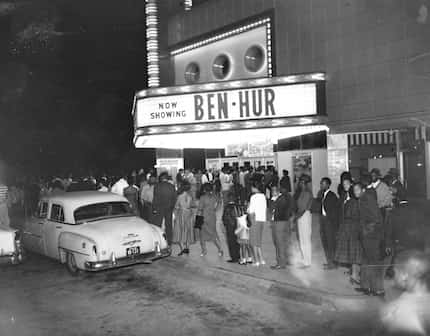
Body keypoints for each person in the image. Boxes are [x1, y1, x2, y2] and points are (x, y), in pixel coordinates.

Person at [355, 179, 391, 297]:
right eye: (354, 190)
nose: (355, 191)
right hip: (366, 236)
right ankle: (366, 287)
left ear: (363, 190)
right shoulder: (361, 199)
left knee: (374, 262)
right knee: (365, 260)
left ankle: (378, 289)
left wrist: (367, 230)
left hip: (372, 237)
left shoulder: (368, 199)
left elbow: (377, 218)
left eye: (357, 189)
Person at [334, 177, 362, 284]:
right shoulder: (344, 196)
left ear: (351, 184)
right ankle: (353, 272)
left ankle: (355, 275)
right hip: (346, 226)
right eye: (343, 184)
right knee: (351, 250)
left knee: (355, 251)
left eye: (347, 183)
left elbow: (354, 213)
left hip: (353, 227)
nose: (345, 185)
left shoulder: (354, 198)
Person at [270, 185, 294, 270]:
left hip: (278, 223)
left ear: (276, 191)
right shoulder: (286, 197)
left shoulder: (278, 200)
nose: (271, 193)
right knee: (286, 242)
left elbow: (273, 211)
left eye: (272, 191)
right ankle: (288, 260)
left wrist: (273, 201)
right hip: (285, 222)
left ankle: (280, 263)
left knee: (279, 243)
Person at [198, 183, 223, 257]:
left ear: (204, 189)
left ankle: (204, 251)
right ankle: (220, 249)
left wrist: (197, 219)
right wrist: (215, 209)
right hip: (212, 217)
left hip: (203, 217)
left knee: (202, 235)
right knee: (213, 235)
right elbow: (220, 202)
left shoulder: (202, 197)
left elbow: (200, 209)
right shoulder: (214, 196)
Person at [320, 177, 339, 270]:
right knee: (325, 242)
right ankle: (329, 262)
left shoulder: (332, 195)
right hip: (324, 220)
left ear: (328, 185)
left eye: (323, 184)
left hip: (329, 222)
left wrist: (329, 221)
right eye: (321, 184)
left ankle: (333, 264)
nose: (321, 185)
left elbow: (334, 211)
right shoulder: (323, 194)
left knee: (330, 243)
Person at [153, 172, 177, 246]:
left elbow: (155, 198)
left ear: (161, 178)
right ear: (167, 178)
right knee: (169, 225)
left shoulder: (157, 186)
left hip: (159, 208)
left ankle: (158, 240)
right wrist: (172, 207)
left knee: (158, 224)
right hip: (169, 208)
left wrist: (154, 208)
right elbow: (174, 198)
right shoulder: (172, 186)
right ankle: (169, 241)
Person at [294, 175, 313, 268]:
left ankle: (307, 261)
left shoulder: (307, 193)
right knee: (302, 239)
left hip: (304, 215)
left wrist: (295, 218)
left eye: (300, 182)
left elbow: (304, 208)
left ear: (303, 183)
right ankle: (304, 259)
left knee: (306, 239)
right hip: (301, 215)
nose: (299, 183)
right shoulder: (302, 192)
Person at [247, 180, 267, 266]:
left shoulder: (253, 197)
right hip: (261, 220)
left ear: (255, 188)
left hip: (254, 219)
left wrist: (250, 221)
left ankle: (256, 261)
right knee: (258, 241)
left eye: (252, 187)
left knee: (253, 242)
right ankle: (261, 259)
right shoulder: (263, 196)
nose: (251, 188)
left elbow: (251, 211)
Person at [173, 182, 194, 256]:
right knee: (188, 231)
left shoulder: (179, 196)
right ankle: (187, 248)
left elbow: (176, 206)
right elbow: (192, 205)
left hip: (181, 213)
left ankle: (182, 248)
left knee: (180, 231)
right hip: (188, 213)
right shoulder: (190, 196)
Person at [222, 192, 241, 263]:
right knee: (237, 242)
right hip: (238, 226)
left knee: (231, 242)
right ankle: (238, 255)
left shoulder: (227, 207)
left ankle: (234, 257)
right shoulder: (238, 206)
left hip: (230, 227)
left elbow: (224, 218)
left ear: (228, 199)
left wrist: (225, 225)